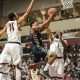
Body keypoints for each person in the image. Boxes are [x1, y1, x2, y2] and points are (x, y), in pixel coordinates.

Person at [0, 0, 35, 80]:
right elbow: (28, 12)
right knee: (18, 68)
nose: (17, 15)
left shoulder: (7, 25)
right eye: (16, 14)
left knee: (2, 64)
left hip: (7, 45)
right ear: (14, 17)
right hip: (15, 45)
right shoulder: (17, 22)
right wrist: (32, 1)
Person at [39, 8, 67, 79]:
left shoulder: (64, 40)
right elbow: (46, 27)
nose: (58, 32)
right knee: (51, 77)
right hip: (52, 60)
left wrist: (60, 39)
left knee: (59, 78)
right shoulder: (52, 39)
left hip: (60, 60)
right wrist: (44, 16)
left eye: (59, 32)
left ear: (61, 34)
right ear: (55, 34)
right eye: (57, 32)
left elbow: (66, 47)